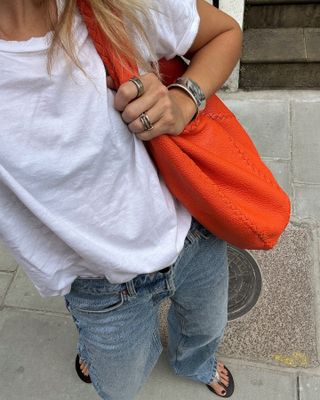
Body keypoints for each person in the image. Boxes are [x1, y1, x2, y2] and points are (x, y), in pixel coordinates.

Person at [0, 0, 242, 398]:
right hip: (99, 284)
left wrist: (182, 102)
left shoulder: (117, 5)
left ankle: (195, 363)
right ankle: (92, 349)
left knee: (207, 327)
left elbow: (224, 34)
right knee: (119, 385)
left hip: (194, 235)